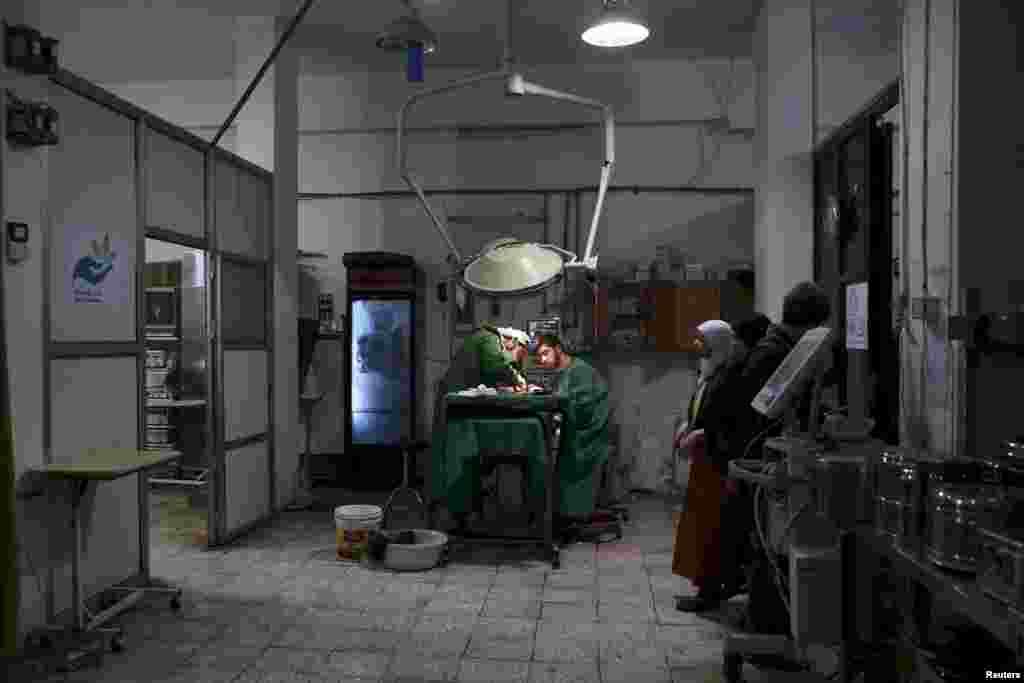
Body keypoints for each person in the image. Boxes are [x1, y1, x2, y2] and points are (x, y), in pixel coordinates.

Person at [726, 282, 832, 638]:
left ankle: (764, 618)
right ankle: (767, 622)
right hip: (761, 456)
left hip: (761, 455)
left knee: (766, 542)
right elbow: (760, 414)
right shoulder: (774, 354)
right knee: (768, 543)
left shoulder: (774, 347)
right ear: (814, 323)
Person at [671, 319, 740, 612]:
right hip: (704, 459)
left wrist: (700, 434)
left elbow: (725, 422)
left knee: (709, 529)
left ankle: (708, 592)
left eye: (703, 341)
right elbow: (701, 410)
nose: (697, 346)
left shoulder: (729, 376)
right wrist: (688, 426)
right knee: (698, 526)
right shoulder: (710, 372)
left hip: (716, 461)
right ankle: (703, 587)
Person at [533, 334, 611, 519]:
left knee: (568, 467)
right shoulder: (565, 372)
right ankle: (565, 516)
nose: (543, 360)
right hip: (579, 430)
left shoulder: (579, 371)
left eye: (546, 353)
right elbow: (564, 398)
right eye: (539, 357)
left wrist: (555, 409)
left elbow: (581, 406)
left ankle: (574, 517)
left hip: (589, 435)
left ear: (558, 349)